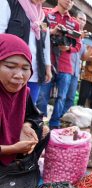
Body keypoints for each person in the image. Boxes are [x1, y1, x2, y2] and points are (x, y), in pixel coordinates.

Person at [0, 33, 49, 172]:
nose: (19, 75)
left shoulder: (23, 92)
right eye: (10, 66)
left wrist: (26, 126)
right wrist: (11, 149)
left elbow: (34, 115)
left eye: (25, 68)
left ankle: (15, 172)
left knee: (43, 130)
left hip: (12, 153)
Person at [36, 0, 81, 129]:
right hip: (47, 63)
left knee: (62, 97)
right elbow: (38, 32)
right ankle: (40, 124)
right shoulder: (45, 13)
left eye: (72, 0)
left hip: (66, 65)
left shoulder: (74, 23)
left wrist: (67, 48)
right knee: (42, 96)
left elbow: (78, 45)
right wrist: (52, 31)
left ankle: (54, 125)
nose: (69, 1)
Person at [0, 0, 52, 104]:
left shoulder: (43, 17)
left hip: (34, 70)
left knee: (28, 108)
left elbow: (45, 43)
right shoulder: (10, 3)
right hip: (11, 70)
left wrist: (48, 66)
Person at [62, 10, 86, 115]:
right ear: (74, 19)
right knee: (62, 96)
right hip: (66, 68)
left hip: (76, 72)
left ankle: (64, 117)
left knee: (71, 97)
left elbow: (83, 56)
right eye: (80, 19)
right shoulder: (69, 32)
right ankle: (57, 119)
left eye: (84, 20)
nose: (82, 22)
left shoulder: (83, 39)